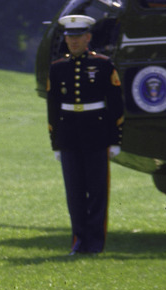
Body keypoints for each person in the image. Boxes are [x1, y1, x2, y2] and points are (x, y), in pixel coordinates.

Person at [46, 15, 124, 255]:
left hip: (97, 135)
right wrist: (56, 142)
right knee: (75, 193)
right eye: (70, 37)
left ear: (88, 37)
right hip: (69, 137)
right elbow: (53, 107)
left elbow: (115, 105)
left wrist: (115, 139)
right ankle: (79, 240)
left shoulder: (103, 65)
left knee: (97, 191)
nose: (74, 41)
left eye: (78, 36)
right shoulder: (58, 68)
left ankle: (95, 243)